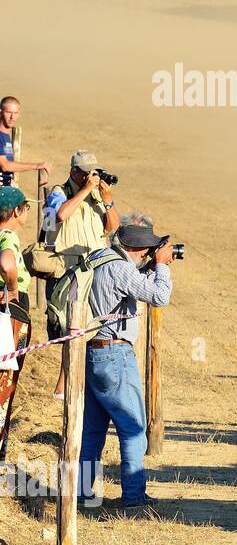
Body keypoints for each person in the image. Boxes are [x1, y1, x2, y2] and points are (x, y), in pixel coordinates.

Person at [80, 221, 175, 512]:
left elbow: (126, 284)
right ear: (135, 249)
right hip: (115, 354)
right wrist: (162, 267)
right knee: (133, 429)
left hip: (94, 352)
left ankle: (84, 494)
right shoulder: (121, 268)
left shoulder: (100, 257)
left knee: (92, 431)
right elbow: (160, 296)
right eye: (146, 251)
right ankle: (133, 497)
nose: (148, 255)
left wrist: (149, 266)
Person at [44, 152, 121, 399]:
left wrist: (107, 201)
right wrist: (85, 190)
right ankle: (63, 387)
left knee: (93, 326)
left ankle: (78, 386)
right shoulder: (60, 191)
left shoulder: (98, 194)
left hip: (95, 267)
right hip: (70, 270)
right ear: (74, 171)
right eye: (87, 172)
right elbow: (61, 215)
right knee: (71, 328)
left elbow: (113, 227)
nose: (92, 176)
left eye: (94, 171)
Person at [0, 186, 33, 404]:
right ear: (16, 211)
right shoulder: (8, 236)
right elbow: (7, 263)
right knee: (6, 376)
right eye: (26, 207)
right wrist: (13, 288)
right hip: (10, 313)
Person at [0, 96, 50, 188]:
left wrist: (9, 181)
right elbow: (5, 166)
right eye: (8, 112)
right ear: (0, 112)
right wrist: (37, 166)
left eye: (15, 113)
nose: (12, 117)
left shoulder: (6, 136)